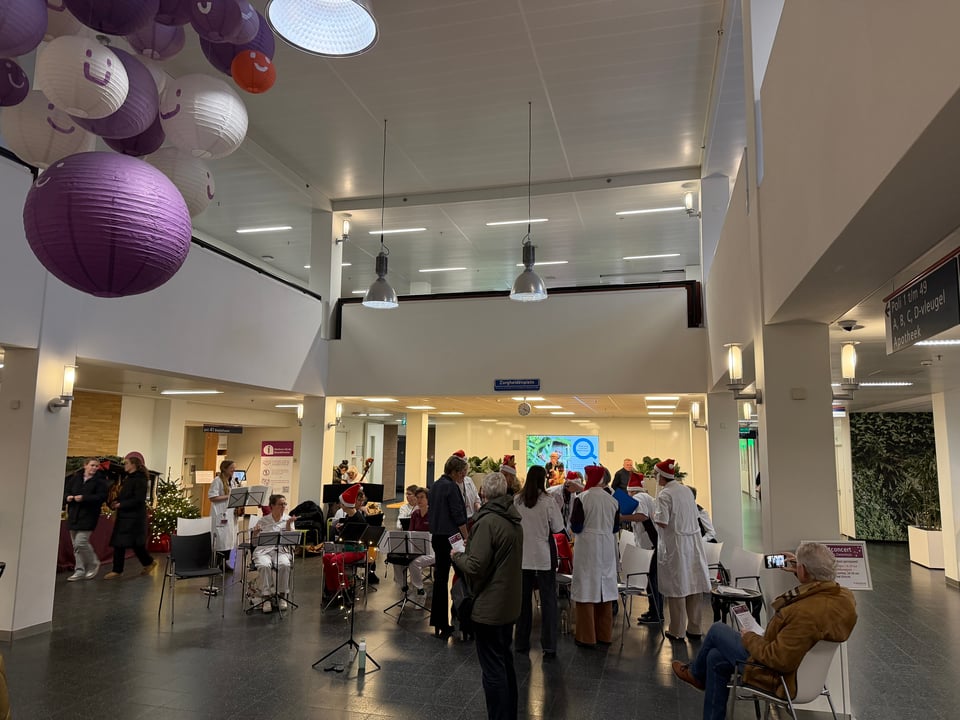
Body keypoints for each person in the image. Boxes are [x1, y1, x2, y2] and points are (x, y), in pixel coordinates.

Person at [672, 542, 858, 720]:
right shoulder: (843, 599)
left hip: (778, 677)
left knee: (717, 630)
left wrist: (750, 638)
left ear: (804, 571)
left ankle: (696, 675)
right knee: (714, 658)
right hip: (805, 673)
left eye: (800, 567)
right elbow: (818, 588)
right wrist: (800, 569)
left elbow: (777, 659)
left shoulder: (805, 614)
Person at [452, 472, 523, 720]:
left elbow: (474, 566)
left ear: (483, 493)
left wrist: (457, 555)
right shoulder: (514, 519)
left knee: (492, 669)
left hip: (489, 606)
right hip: (509, 602)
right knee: (505, 662)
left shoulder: (488, 522)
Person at [653, 459, 711, 640]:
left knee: (677, 587)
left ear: (661, 477)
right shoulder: (686, 490)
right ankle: (695, 628)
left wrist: (652, 515)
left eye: (656, 475)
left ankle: (676, 630)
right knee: (694, 585)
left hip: (675, 546)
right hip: (693, 543)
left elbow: (662, 521)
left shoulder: (664, 495)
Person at [514, 466, 564, 658]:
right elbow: (558, 528)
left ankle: (520, 642)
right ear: (544, 479)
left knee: (523, 601)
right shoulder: (548, 501)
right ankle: (549, 645)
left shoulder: (517, 500)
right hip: (543, 556)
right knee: (548, 600)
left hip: (522, 556)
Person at [570, 465, 620, 648]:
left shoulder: (582, 498)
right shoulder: (612, 500)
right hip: (606, 545)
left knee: (586, 589)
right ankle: (604, 634)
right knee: (604, 589)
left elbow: (576, 526)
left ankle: (586, 636)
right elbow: (616, 527)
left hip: (587, 547)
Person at [428, 454, 470, 640]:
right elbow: (458, 515)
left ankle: (439, 623)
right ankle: (463, 618)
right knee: (464, 575)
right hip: (452, 537)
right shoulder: (451, 487)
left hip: (437, 536)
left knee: (440, 579)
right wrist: (467, 537)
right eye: (462, 473)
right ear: (454, 472)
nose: (463, 476)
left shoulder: (435, 485)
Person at [105, 452, 157, 580]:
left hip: (133, 518)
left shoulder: (140, 480)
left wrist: (121, 504)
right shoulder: (130, 478)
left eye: (127, 463)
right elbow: (126, 495)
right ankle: (145, 563)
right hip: (126, 516)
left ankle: (122, 569)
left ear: (134, 464)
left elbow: (138, 499)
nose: (125, 465)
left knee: (130, 544)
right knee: (124, 543)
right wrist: (116, 500)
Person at [63, 458, 110, 581]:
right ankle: (79, 570)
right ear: (85, 466)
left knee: (81, 542)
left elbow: (101, 497)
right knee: (76, 546)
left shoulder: (100, 481)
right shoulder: (75, 478)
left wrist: (84, 498)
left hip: (89, 515)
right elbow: (66, 491)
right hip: (74, 515)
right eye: (92, 465)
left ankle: (94, 563)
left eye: (96, 466)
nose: (94, 468)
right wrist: (67, 497)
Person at [626, 472, 662, 624]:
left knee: (652, 580)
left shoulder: (638, 498)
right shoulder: (646, 497)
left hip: (650, 544)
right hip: (653, 543)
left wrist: (622, 517)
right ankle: (655, 611)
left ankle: (656, 613)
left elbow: (642, 516)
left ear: (631, 490)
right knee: (653, 580)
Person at [252, 494, 298, 612]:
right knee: (264, 565)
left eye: (284, 504)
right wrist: (255, 534)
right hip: (264, 551)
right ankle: (266, 597)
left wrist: (288, 525)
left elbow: (292, 541)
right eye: (280, 504)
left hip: (281, 550)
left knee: (285, 565)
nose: (283, 506)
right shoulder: (263, 520)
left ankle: (283, 596)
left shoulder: (288, 519)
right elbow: (254, 542)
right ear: (272, 506)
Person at [322, 484, 368, 597]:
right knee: (326, 558)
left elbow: (356, 537)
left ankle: (345, 589)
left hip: (357, 550)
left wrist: (342, 531)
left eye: (341, 504)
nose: (340, 506)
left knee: (336, 560)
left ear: (346, 505)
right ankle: (332, 589)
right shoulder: (349, 517)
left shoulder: (358, 519)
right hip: (347, 549)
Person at [208, 459, 239, 570]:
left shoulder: (232, 481)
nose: (233, 470)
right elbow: (212, 497)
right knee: (221, 539)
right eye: (231, 468)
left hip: (231, 514)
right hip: (220, 513)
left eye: (234, 468)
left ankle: (224, 562)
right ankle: (217, 563)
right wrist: (229, 496)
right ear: (224, 468)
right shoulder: (217, 480)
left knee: (229, 539)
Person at [407, 487, 435, 595]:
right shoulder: (415, 514)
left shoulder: (434, 514)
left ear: (428, 499)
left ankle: (419, 590)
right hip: (417, 549)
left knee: (414, 563)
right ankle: (403, 587)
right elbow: (410, 532)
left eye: (422, 497)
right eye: (417, 497)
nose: (419, 500)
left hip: (432, 550)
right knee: (398, 561)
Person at [452, 450, 482, 520]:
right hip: (457, 521)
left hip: (471, 519)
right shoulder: (451, 484)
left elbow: (476, 500)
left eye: (465, 470)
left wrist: (480, 510)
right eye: (461, 471)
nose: (463, 473)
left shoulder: (469, 481)